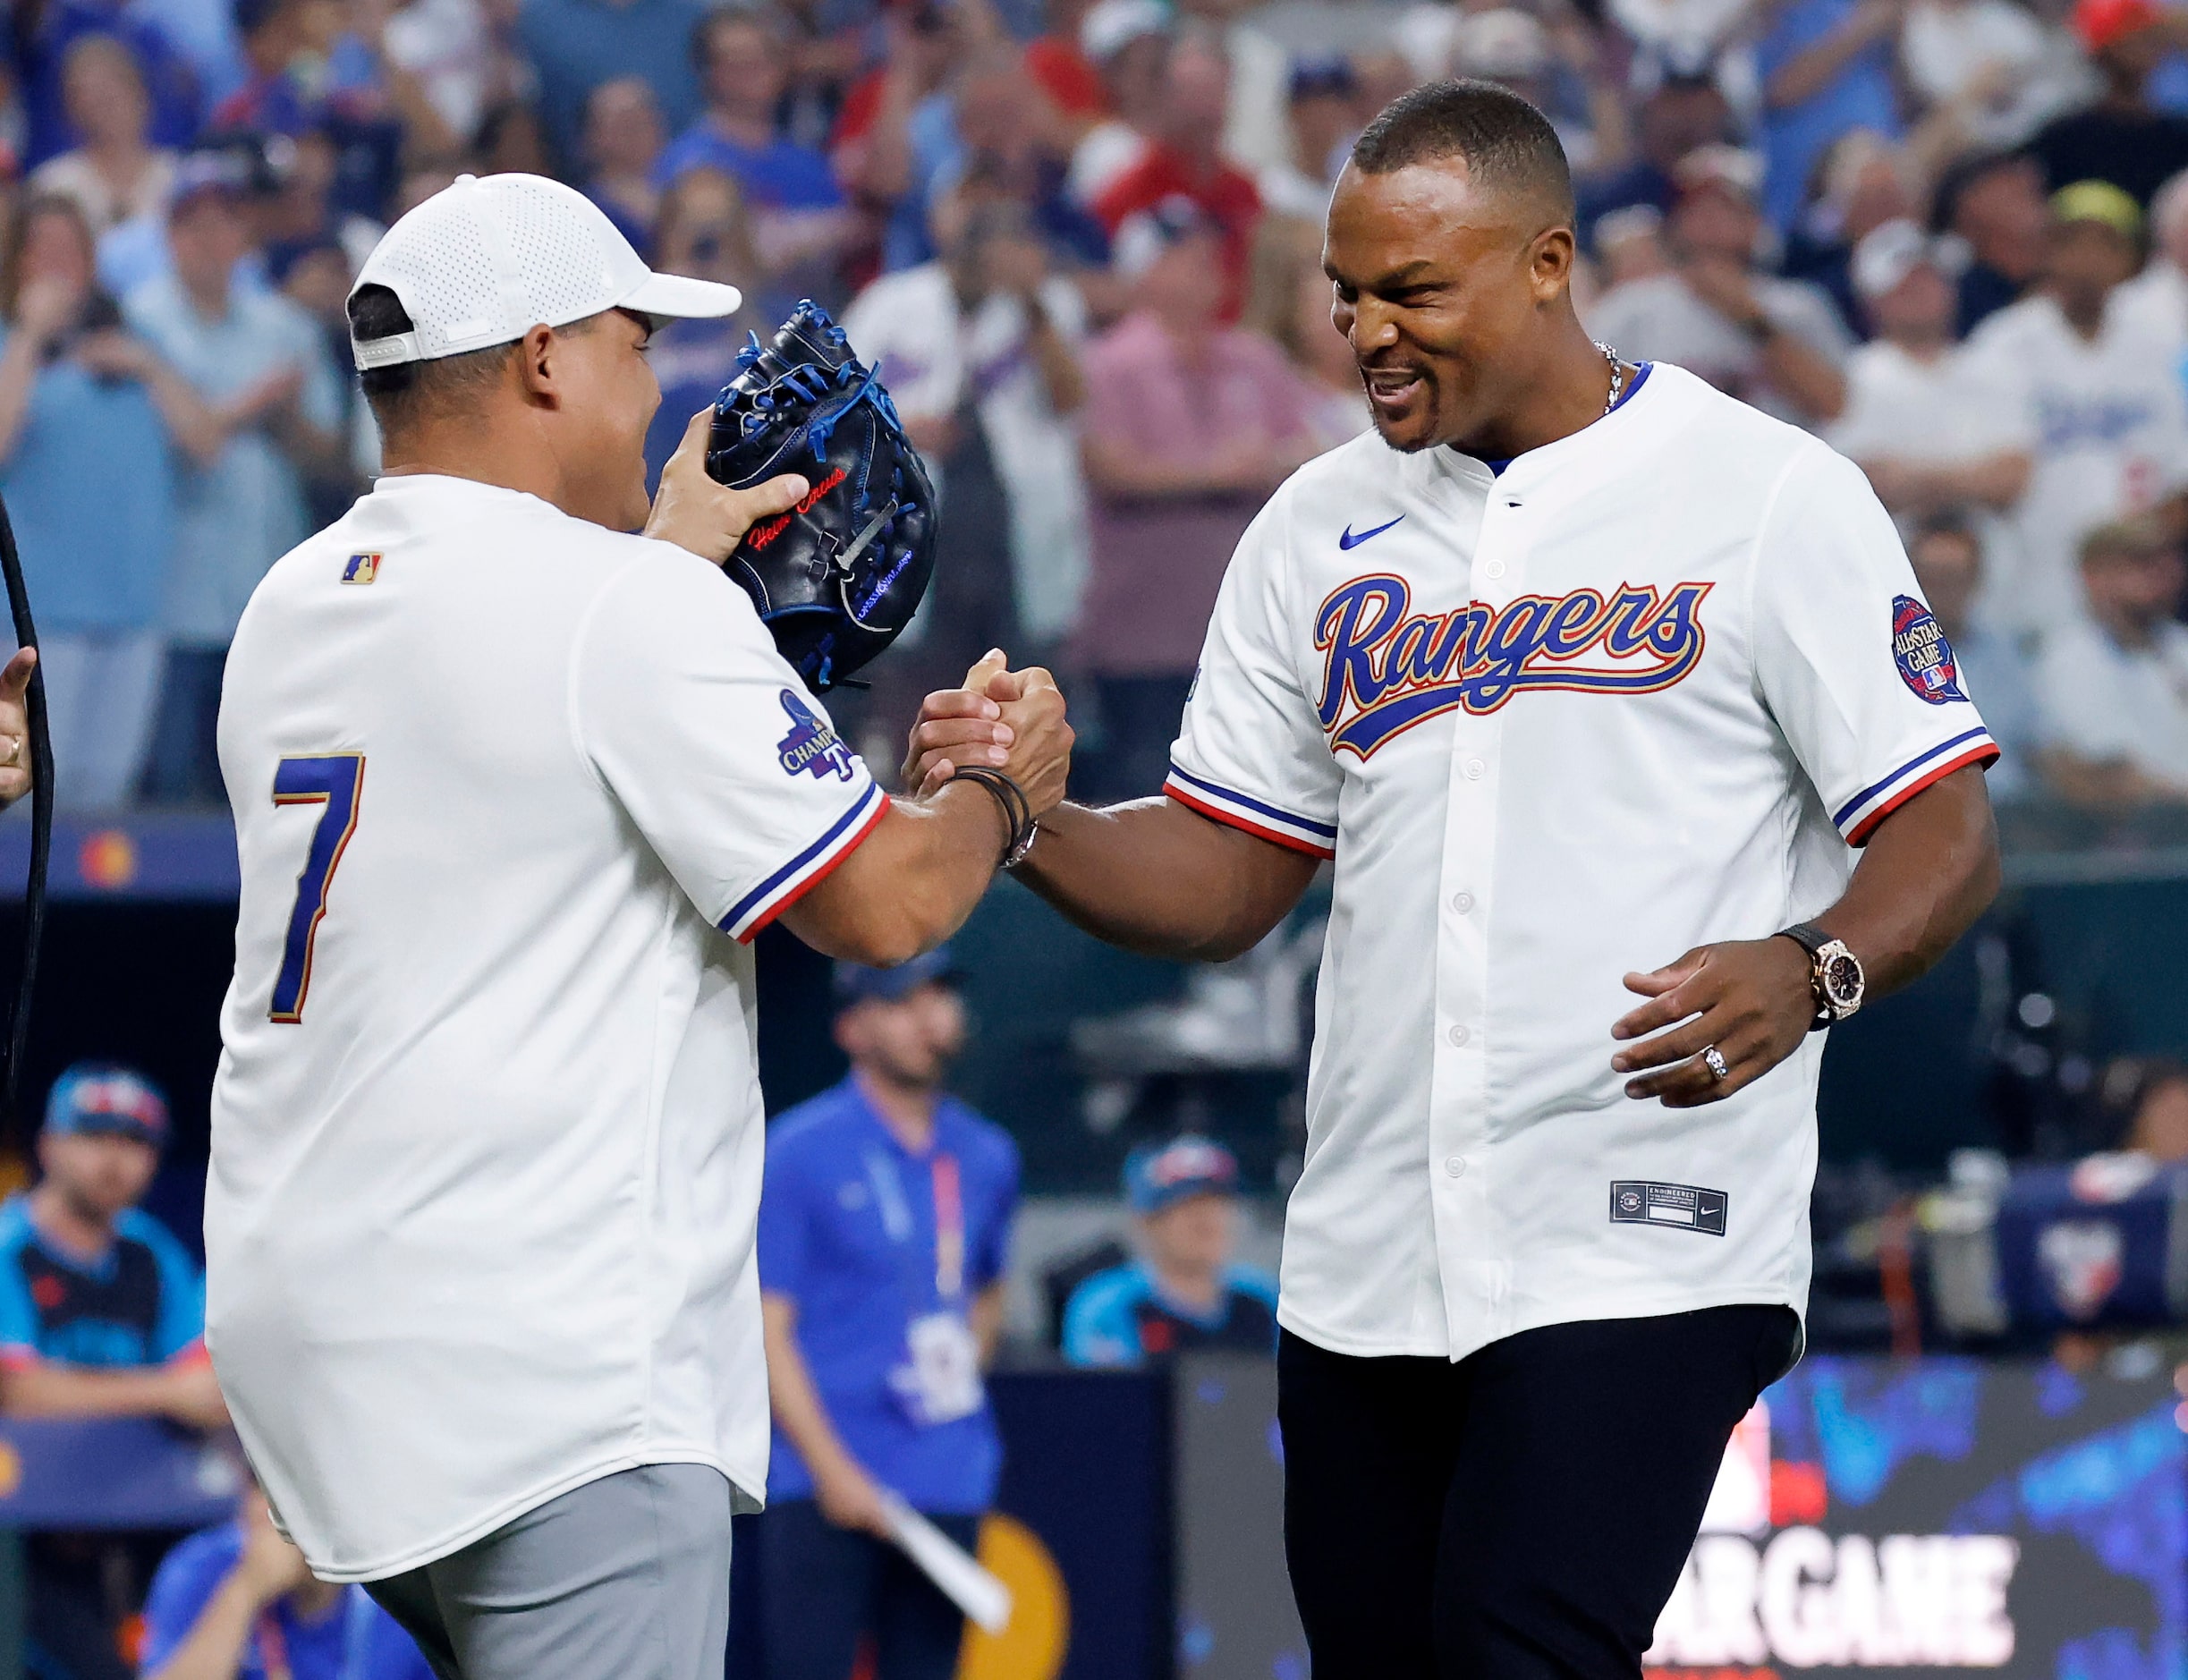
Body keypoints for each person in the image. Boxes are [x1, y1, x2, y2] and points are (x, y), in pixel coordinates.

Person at [907, 80, 2002, 1678]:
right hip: (1365, 1247)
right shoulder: (1315, 527)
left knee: (1517, 1645)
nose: (1369, 332)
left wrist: (1815, 961)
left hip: (1642, 1223)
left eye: (1416, 289)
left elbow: (1944, 826)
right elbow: (1224, 873)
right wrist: (1024, 816)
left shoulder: (1764, 493)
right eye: (1348, 294)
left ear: (1549, 262)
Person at [205, 172, 1072, 1680]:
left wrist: (666, 577)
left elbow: (516, 714)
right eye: (629, 345)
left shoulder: (287, 604)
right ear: (542, 360)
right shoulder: (621, 610)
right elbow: (889, 904)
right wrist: (1005, 792)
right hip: (549, 1367)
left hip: (319, 1353)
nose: (659, 388)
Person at [753, 949, 1020, 1680]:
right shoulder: (798, 1153)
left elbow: (990, 1283)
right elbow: (768, 1329)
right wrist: (833, 1469)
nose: (930, 1017)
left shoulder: (987, 1154)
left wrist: (964, 1368)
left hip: (943, 1474)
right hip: (823, 1480)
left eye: (940, 996)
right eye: (903, 1001)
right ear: (852, 1026)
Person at [1076, 199, 1317, 801]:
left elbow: (1309, 449)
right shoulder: (1112, 364)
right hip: (1143, 630)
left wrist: (1267, 463)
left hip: (1245, 626)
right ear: (1146, 272)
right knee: (1143, 790)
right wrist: (1219, 471)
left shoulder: (1254, 359)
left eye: (1209, 258)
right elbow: (1109, 468)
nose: (1203, 271)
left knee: (1250, 786)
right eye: (1183, 258)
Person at [126, 155, 347, 805]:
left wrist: (278, 421)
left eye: (227, 223)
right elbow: (183, 444)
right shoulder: (141, 322)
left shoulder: (284, 326)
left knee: (256, 791)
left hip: (266, 581)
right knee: (164, 790)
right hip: (172, 590)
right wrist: (250, 406)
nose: (212, 239)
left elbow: (329, 457)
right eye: (195, 225)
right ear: (171, 236)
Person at [0, 1064, 228, 1680]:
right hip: (20, 1535)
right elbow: (15, 1390)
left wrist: (191, 1393)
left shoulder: (150, 1252)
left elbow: (200, 1379)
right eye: (94, 1135)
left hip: (135, 1520)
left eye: (134, 1141)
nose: (114, 1158)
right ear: (49, 1145)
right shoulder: (9, 1242)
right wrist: (164, 1393)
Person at [0, 193, 212, 810]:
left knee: (104, 805)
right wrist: (33, 336)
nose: (61, 264)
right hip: (37, 619)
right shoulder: (12, 345)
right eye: (44, 249)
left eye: (73, 249)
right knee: (28, 802)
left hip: (134, 610)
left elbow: (202, 443)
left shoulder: (137, 342)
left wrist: (146, 365)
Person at [844, 196, 1091, 673]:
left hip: (1010, 524)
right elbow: (832, 404)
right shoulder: (893, 302)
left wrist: (1031, 304)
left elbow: (1071, 400)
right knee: (910, 677)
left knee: (1017, 674)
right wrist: (900, 429)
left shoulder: (1048, 306)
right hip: (915, 514)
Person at [1962, 180, 2188, 635]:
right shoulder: (2003, 343)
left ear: (2131, 260)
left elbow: (2180, 479)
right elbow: (1996, 477)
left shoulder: (2162, 347)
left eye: (2106, 244)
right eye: (2072, 242)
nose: (2088, 260)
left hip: (2139, 594)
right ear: (2047, 252)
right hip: (2033, 587)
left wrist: (2135, 548)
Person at [1585, 143, 1850, 428]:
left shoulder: (1796, 305)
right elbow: (1586, 399)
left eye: (1725, 207)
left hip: (1770, 465)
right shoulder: (1632, 308)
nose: (1709, 219)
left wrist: (1754, 323)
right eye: (1694, 208)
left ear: (1754, 221)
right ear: (1673, 224)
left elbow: (1835, 405)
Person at [1828, 218, 2033, 530]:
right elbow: (1868, 480)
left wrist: (1915, 479)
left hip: (1996, 565)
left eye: (1933, 279)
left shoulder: (1995, 366)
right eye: (1907, 285)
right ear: (1873, 300)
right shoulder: (1855, 375)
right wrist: (1970, 479)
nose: (1923, 291)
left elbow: (2012, 479)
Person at [141, 1486, 437, 1680]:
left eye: (284, 1492)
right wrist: (244, 1590)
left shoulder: (399, 1577)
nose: (266, 1513)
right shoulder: (203, 1566)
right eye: (258, 1487)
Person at [1061, 1134, 1280, 1364]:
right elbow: (1104, 1396)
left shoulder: (1264, 1297)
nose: (1206, 1220)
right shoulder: (1107, 1304)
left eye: (1217, 1203)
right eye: (1186, 1206)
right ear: (1147, 1222)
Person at [1091, 28, 1263, 319]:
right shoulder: (1127, 192)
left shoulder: (1245, 191)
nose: (1203, 110)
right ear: (1165, 97)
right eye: (1191, 94)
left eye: (1213, 93)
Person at [2034, 517, 2188, 806]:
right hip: (2129, 833)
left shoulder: (2179, 645)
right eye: (2139, 564)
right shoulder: (2070, 655)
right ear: (2094, 576)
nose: (2159, 576)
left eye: (2163, 563)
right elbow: (2113, 770)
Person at [1904, 513, 2040, 802]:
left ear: (1976, 579)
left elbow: (2039, 743)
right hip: (1933, 810)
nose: (1944, 591)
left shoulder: (2002, 654)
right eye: (1932, 578)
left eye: (1954, 577)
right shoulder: (1891, 660)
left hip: (2013, 812)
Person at [1751, 0, 1903, 233]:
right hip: (1807, 192)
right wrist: (1867, 24)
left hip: (1881, 163)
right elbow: (1782, 92)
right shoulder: (1785, 10)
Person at [2026, 0, 2188, 208]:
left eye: (2151, 37)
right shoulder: (2064, 138)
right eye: (2133, 38)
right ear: (2103, 50)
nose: (2148, 48)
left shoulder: (2178, 134)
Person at [28, 36, 178, 236]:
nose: (106, 109)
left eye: (112, 92)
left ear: (141, 93)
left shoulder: (178, 178)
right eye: (91, 97)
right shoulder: (55, 186)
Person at [1933, 148, 2049, 333]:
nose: (2028, 178)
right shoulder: (1961, 303)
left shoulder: (2067, 273)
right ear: (1969, 207)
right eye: (2006, 174)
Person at [581, 76, 666, 254]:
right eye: (623, 123)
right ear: (592, 135)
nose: (634, 133)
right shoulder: (583, 212)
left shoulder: (690, 193)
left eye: (642, 121)